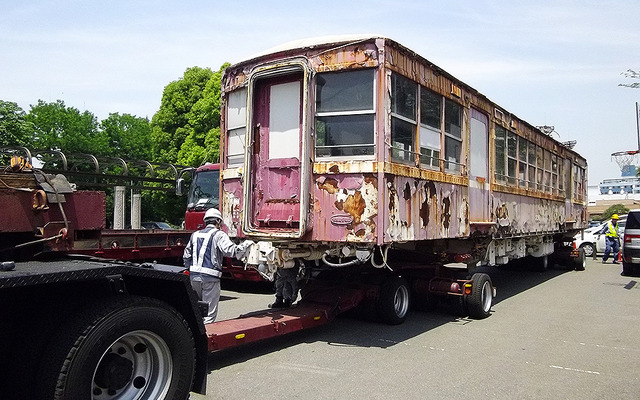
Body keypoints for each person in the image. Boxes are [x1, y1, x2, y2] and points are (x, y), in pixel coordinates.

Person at [183, 208, 253, 324]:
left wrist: (190, 269)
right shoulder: (219, 234)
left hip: (194, 277)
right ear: (218, 221)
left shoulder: (195, 235)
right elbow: (230, 251)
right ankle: (206, 337)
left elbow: (186, 255)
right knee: (209, 314)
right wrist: (245, 245)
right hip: (210, 278)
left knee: (198, 309)